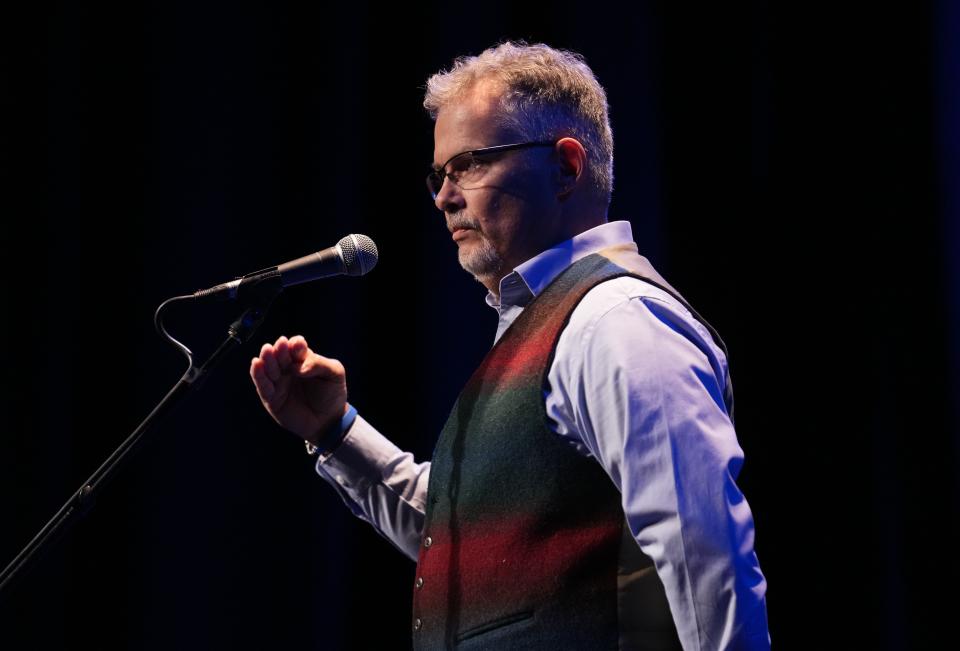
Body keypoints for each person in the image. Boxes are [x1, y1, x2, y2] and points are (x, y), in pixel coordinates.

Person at [249, 41, 770, 650]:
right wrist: (338, 431)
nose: (444, 197)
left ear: (566, 168)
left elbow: (703, 554)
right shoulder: (539, 324)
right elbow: (468, 548)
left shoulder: (618, 322)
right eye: (439, 174)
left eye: (469, 164)